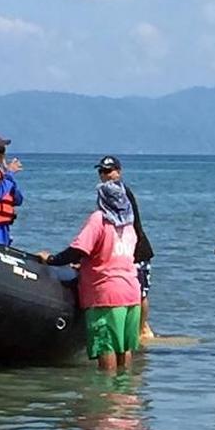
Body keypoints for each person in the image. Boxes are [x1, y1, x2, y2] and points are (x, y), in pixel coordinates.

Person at [39, 180, 141, 372]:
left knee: (106, 347)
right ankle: (125, 393)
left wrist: (51, 259)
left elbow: (77, 250)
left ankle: (106, 395)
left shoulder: (100, 219)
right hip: (131, 293)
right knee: (124, 348)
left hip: (106, 294)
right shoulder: (129, 226)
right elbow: (114, 255)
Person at [95, 155, 156, 340]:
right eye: (101, 171)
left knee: (140, 292)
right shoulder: (109, 193)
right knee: (132, 291)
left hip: (137, 249)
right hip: (123, 249)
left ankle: (143, 328)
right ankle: (136, 327)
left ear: (118, 172)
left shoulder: (121, 193)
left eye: (108, 171)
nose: (104, 175)